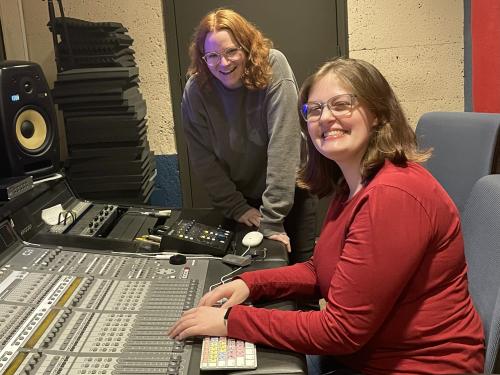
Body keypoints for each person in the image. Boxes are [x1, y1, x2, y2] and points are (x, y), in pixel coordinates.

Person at [169, 57, 485, 374]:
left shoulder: (392, 197)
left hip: (421, 367)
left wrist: (230, 321)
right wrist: (251, 284)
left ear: (377, 114)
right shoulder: (352, 185)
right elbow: (323, 270)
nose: (326, 118)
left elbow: (341, 331)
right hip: (369, 358)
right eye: (315, 110)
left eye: (341, 104)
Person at [181, 8, 317, 263]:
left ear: (247, 46)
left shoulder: (273, 65)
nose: (223, 63)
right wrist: (236, 206)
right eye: (212, 55)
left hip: (288, 192)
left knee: (303, 276)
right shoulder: (196, 90)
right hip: (240, 197)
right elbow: (202, 159)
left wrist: (273, 219)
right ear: (203, 58)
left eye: (232, 51)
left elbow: (284, 144)